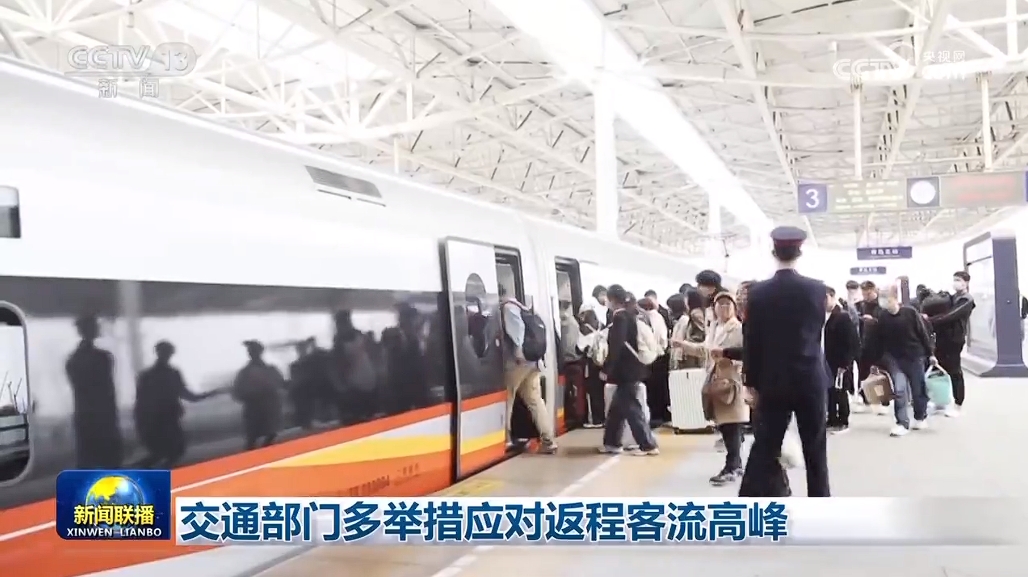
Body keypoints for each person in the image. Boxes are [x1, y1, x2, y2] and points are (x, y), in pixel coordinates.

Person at [737, 226, 830, 497]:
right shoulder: (817, 289)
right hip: (810, 378)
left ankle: (752, 501)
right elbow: (816, 332)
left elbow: (752, 340)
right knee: (815, 449)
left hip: (773, 380)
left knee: (766, 445)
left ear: (773, 252)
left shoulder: (758, 293)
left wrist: (750, 381)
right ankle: (821, 502)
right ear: (799, 252)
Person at [676, 292, 747, 485]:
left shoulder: (738, 328)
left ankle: (732, 466)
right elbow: (705, 350)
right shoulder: (715, 327)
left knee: (732, 425)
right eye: (720, 304)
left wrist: (730, 360)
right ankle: (735, 465)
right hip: (716, 381)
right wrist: (683, 345)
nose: (723, 308)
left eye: (727, 304)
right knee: (725, 425)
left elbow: (747, 353)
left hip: (731, 382)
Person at [866, 285, 935, 437]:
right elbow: (878, 341)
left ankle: (920, 416)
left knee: (918, 389)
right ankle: (902, 422)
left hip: (915, 356)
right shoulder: (883, 317)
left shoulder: (910, 313)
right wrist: (875, 362)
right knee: (899, 389)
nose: (885, 303)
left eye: (888, 300)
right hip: (894, 358)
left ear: (895, 299)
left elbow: (922, 333)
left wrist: (931, 354)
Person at [598, 284, 659, 456]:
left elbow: (616, 346)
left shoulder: (620, 318)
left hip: (626, 371)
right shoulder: (629, 315)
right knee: (617, 410)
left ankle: (648, 445)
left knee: (632, 409)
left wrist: (607, 369)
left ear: (611, 300)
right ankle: (611, 443)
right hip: (630, 369)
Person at [500, 287, 558, 453]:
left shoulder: (508, 307)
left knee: (507, 398)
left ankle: (506, 438)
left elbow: (518, 333)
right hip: (533, 363)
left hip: (519, 363)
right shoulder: (524, 308)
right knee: (535, 400)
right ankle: (548, 440)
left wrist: (519, 353)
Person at [924, 271, 974, 416]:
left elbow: (950, 316)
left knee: (954, 370)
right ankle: (940, 401)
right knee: (939, 368)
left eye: (958, 280)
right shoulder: (952, 297)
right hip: (942, 338)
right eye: (954, 279)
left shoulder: (966, 300)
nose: (955, 282)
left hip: (954, 339)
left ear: (966, 282)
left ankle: (958, 404)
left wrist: (929, 320)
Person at [824, 287, 860, 435]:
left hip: (840, 361)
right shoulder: (824, 316)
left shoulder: (842, 317)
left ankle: (843, 420)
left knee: (840, 391)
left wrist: (846, 363)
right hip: (827, 360)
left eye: (826, 298)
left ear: (832, 297)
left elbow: (852, 341)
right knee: (830, 390)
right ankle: (832, 418)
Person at [854, 281, 888, 414]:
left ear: (874, 290)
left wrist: (874, 321)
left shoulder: (882, 305)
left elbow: (887, 323)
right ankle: (866, 399)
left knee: (879, 374)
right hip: (864, 344)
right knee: (863, 373)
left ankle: (882, 400)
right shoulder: (860, 305)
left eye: (868, 294)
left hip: (879, 344)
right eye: (864, 294)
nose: (866, 297)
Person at [639, 296, 671, 426]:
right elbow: (663, 339)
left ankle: (655, 416)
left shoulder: (647, 319)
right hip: (661, 356)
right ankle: (661, 414)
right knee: (660, 388)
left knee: (653, 389)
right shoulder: (659, 317)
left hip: (653, 357)